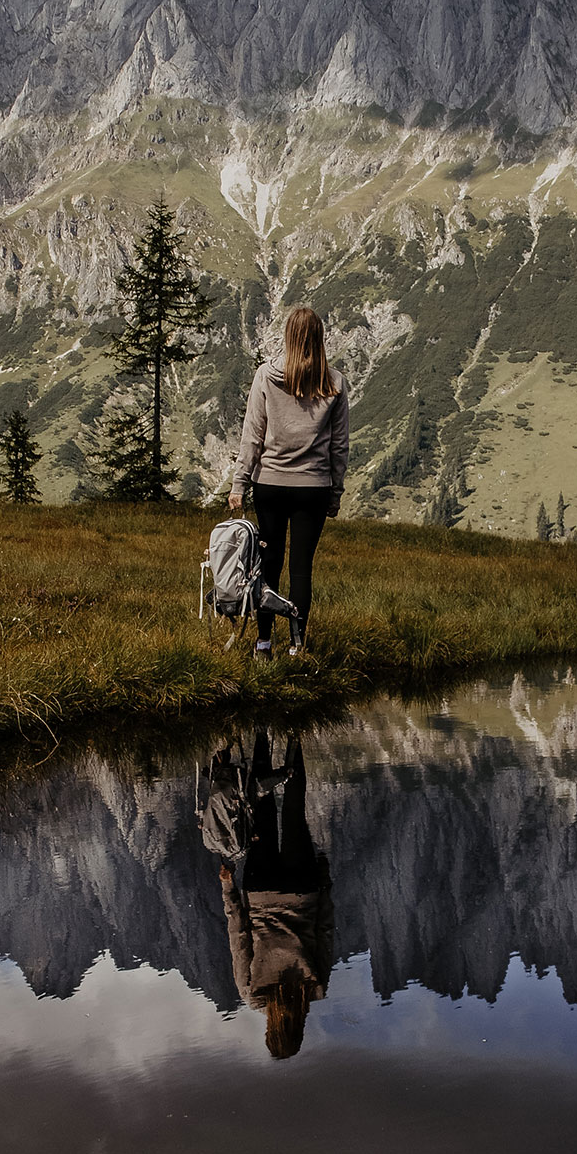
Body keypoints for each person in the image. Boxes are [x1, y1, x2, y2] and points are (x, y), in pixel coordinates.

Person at [229, 307, 348, 655]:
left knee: (268, 565)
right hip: (314, 487)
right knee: (301, 570)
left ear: (288, 337)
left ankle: (263, 643)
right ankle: (298, 646)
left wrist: (240, 484)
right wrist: (335, 493)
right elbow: (339, 447)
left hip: (270, 485)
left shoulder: (267, 376)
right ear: (319, 338)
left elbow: (252, 435)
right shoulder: (335, 382)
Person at [214, 734, 334, 1059]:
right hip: (261, 890)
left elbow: (324, 930)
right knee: (263, 809)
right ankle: (262, 731)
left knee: (295, 812)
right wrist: (228, 889)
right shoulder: (252, 994)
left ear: (300, 1029)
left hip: (302, 889)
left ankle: (295, 733)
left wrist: (324, 880)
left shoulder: (317, 988)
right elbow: (238, 937)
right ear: (270, 1030)